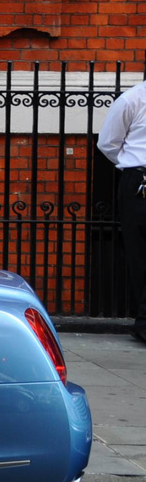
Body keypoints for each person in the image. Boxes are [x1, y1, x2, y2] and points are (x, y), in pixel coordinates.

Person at [98, 79, 146, 344]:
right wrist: (134, 167)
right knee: (139, 254)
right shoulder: (131, 100)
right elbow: (108, 143)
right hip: (139, 181)